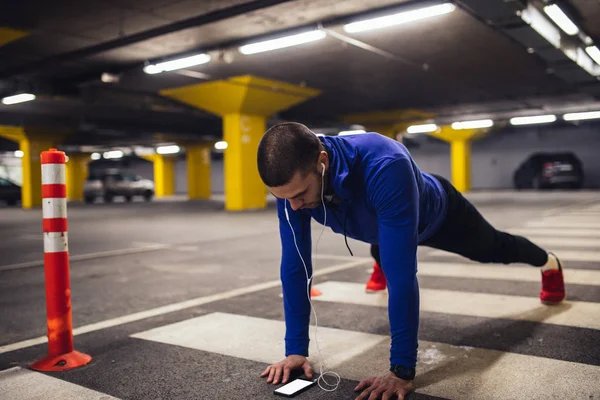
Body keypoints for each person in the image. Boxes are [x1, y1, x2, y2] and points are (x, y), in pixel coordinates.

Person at [256, 122, 565, 400]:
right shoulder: (292, 192)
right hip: (381, 226)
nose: (293, 207)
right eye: (283, 198)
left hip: (439, 217)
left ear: (322, 163)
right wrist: (295, 349)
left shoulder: (386, 164)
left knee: (493, 248)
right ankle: (380, 256)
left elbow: (403, 276)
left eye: (299, 194)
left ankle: (548, 262)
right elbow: (296, 266)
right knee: (383, 247)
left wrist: (401, 371)